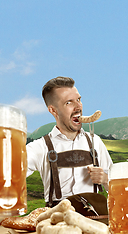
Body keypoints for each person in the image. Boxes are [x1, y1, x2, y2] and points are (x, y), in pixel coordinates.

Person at [27, 76, 113, 207]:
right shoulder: (39, 147)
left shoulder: (95, 141)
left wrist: (105, 179)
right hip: (57, 220)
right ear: (53, 110)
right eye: (69, 102)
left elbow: (118, 187)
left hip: (94, 218)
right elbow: (10, 175)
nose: (78, 106)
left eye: (79, 99)